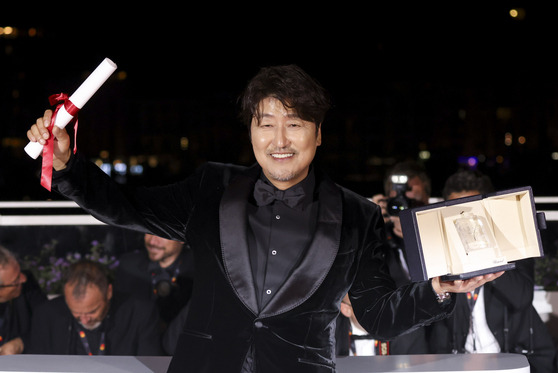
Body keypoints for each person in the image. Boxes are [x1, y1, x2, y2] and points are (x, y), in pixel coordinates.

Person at [27, 64, 502, 372]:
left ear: (318, 136)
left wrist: (441, 289)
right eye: (266, 123)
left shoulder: (358, 216)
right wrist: (68, 165)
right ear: (252, 132)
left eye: (294, 124)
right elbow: (126, 207)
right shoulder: (211, 188)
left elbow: (375, 315)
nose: (280, 139)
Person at [427, 168, 557, 373]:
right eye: (455, 213)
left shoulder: (513, 244)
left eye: (469, 211)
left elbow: (522, 296)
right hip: (457, 363)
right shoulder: (440, 253)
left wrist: (483, 251)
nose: (463, 222)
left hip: (513, 359)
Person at [338, 161, 432, 356]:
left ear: (427, 200)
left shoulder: (436, 239)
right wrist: (368, 223)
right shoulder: (376, 241)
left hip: (423, 338)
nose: (405, 209)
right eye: (398, 203)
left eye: (413, 202)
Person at [27, 259, 163, 355]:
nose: (85, 320)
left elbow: (150, 364)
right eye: (76, 313)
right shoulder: (46, 315)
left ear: (108, 292)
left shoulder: (140, 313)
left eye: (92, 311)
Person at [114, 233, 194, 327]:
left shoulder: (200, 270)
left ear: (181, 237)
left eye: (162, 235)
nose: (152, 241)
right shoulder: (128, 265)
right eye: (148, 232)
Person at [0, 245, 47, 355]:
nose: (23, 279)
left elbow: (48, 326)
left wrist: (21, 343)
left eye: (20, 272)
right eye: (16, 281)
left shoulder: (28, 287)